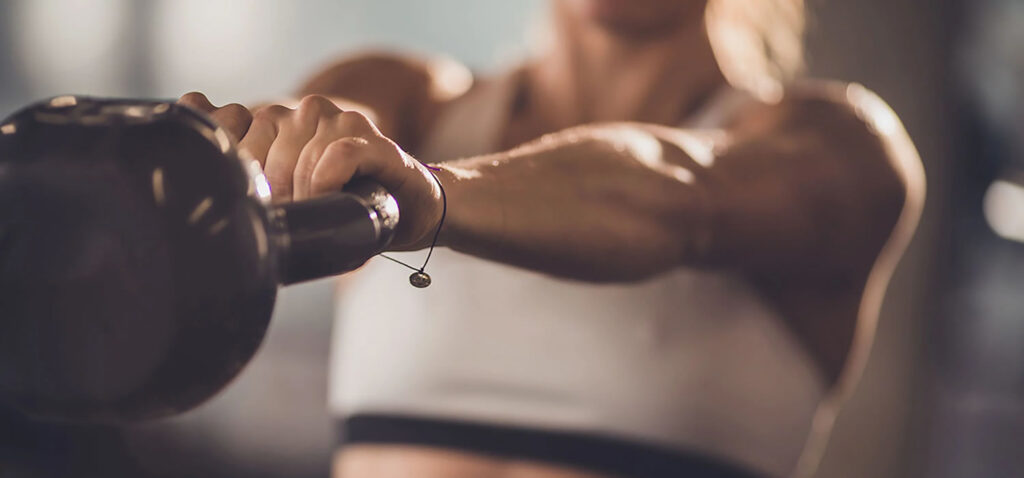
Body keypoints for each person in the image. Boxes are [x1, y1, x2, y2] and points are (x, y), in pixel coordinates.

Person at [178, 0, 925, 476]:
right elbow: (333, 122)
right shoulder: (403, 101)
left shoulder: (839, 148)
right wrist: (273, 144)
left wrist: (433, 194)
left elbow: (675, 194)